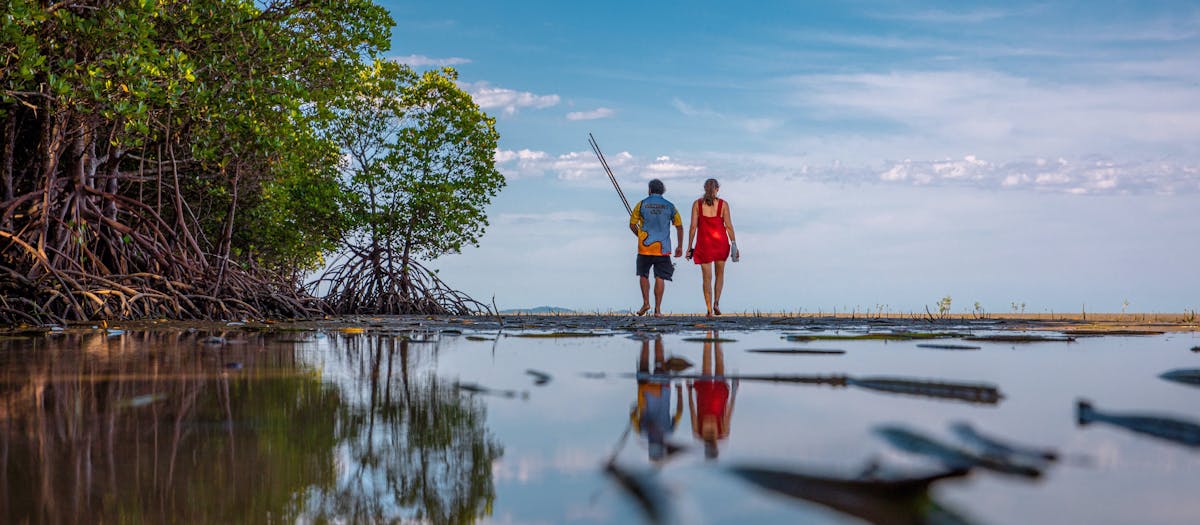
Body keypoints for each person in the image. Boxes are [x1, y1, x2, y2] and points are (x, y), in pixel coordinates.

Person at [629, 179, 683, 317]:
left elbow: (632, 224)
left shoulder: (641, 204)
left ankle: (646, 303)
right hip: (663, 248)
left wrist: (640, 236)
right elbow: (679, 226)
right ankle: (657, 310)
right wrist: (680, 246)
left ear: (649, 190)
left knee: (643, 274)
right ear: (662, 190)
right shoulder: (670, 206)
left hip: (644, 247)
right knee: (660, 276)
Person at [686, 178, 738, 317]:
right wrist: (734, 244)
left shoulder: (697, 204)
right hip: (720, 243)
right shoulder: (723, 204)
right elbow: (729, 226)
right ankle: (716, 302)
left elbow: (692, 228)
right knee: (719, 275)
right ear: (717, 189)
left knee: (706, 278)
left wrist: (689, 247)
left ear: (704, 189)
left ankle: (709, 309)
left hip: (704, 244)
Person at [629, 336, 684, 463]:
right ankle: (647, 338)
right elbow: (633, 412)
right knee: (650, 363)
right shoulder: (642, 431)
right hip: (650, 389)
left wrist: (679, 392)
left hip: (660, 389)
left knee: (655, 362)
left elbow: (679, 412)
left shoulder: (648, 431)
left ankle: (655, 336)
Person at [686, 331, 738, 460]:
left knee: (711, 360)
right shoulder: (721, 433)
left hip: (707, 394)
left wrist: (689, 392)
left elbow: (693, 412)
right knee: (715, 360)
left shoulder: (700, 433)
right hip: (716, 395)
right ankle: (713, 334)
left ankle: (712, 333)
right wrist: (734, 392)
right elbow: (728, 412)